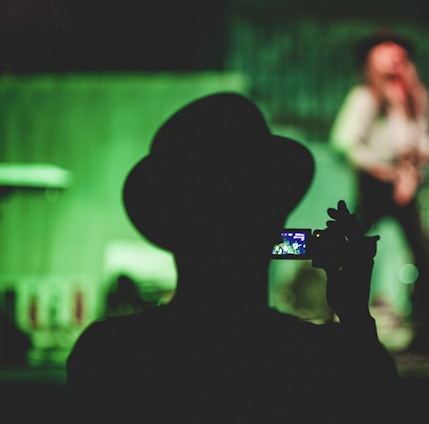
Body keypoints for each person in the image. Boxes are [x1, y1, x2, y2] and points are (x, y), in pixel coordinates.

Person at [66, 92, 399, 423]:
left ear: (167, 225)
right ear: (275, 220)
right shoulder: (320, 359)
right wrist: (354, 315)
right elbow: (376, 402)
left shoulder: (109, 355)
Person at [329, 30, 429, 352]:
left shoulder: (415, 100)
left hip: (407, 185)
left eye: (399, 54)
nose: (394, 59)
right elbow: (343, 141)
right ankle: (340, 320)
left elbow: (421, 145)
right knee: (352, 251)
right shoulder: (365, 98)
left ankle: (425, 327)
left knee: (424, 255)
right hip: (376, 186)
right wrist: (383, 169)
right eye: (385, 53)